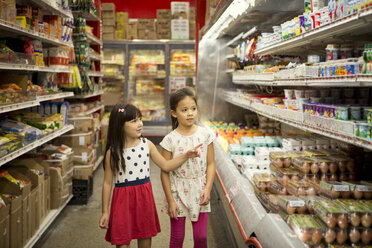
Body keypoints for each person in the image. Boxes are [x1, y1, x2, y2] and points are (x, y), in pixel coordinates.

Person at [99, 103, 202, 248]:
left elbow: (166, 165)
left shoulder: (146, 145)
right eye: (133, 121)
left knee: (145, 241)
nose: (140, 124)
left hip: (143, 200)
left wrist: (186, 156)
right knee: (122, 242)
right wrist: (105, 211)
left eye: (140, 119)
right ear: (120, 125)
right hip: (122, 202)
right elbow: (107, 183)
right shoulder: (113, 151)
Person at [160, 88, 216, 248]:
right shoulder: (170, 140)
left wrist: (208, 188)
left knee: (201, 237)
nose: (190, 113)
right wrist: (170, 200)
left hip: (200, 189)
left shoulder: (205, 135)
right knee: (177, 238)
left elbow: (211, 163)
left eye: (193, 108)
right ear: (174, 113)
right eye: (184, 110)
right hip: (177, 190)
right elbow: (164, 171)